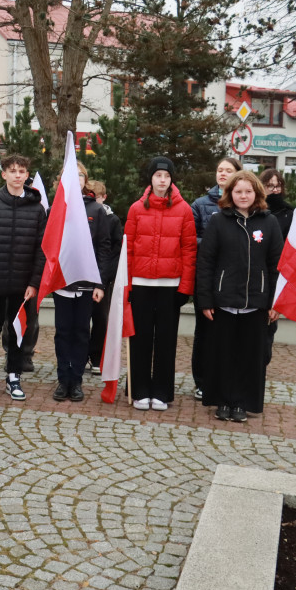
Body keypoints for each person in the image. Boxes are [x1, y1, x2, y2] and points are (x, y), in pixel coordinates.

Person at [196, 170, 283, 422]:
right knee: (222, 354)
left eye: (247, 191)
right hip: (223, 302)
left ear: (256, 193)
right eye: (238, 191)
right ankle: (222, 400)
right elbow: (206, 262)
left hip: (256, 304)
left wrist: (274, 301)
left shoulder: (269, 222)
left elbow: (276, 263)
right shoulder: (218, 221)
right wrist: (206, 299)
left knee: (250, 357)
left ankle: (242, 403)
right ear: (229, 194)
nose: (243, 196)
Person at [0, 154, 46, 401]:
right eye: (12, 170)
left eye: (21, 171)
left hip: (22, 286)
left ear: (27, 176)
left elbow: (41, 250)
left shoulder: (37, 210)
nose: (17, 175)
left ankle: (14, 376)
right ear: (3, 174)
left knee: (17, 332)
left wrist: (34, 283)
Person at [124, 157, 197, 411]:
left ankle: (162, 392)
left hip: (170, 286)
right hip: (141, 284)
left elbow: (189, 250)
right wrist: (128, 286)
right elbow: (129, 250)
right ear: (151, 178)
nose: (162, 180)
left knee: (165, 341)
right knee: (140, 338)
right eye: (158, 176)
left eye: (166, 176)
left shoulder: (184, 209)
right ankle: (139, 390)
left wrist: (185, 287)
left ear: (171, 179)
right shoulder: (136, 209)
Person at [52, 166, 111, 402]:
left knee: (80, 333)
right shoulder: (56, 210)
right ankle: (62, 379)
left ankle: (76, 380)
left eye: (80, 174)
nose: (75, 178)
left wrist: (100, 284)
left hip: (87, 285)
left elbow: (104, 249)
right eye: (70, 174)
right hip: (62, 284)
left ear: (86, 180)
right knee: (62, 332)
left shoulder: (97, 210)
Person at [190, 157, 242, 401]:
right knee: (204, 332)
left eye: (228, 170)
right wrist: (216, 243)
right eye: (220, 170)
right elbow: (191, 238)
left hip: (234, 279)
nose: (222, 174)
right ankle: (201, 381)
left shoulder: (244, 205)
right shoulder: (200, 205)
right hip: (208, 277)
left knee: (228, 334)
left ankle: (226, 380)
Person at [86, 180, 123, 374]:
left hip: (103, 278)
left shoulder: (112, 220)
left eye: (97, 198)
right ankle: (82, 355)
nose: (95, 202)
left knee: (101, 319)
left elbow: (115, 250)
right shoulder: (84, 214)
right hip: (84, 277)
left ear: (104, 198)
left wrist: (107, 275)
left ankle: (96, 356)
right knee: (82, 319)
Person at [259, 168, 293, 365]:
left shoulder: (289, 213)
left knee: (269, 328)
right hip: (257, 273)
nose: (275, 190)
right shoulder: (256, 211)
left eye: (278, 185)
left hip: (277, 274)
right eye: (269, 185)